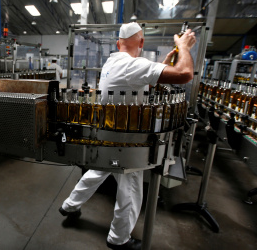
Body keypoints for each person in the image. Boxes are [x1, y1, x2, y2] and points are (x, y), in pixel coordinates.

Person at [59, 22, 196, 250]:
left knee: (98, 170)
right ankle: (118, 239)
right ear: (141, 43)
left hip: (107, 134)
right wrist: (184, 48)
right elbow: (184, 74)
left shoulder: (112, 63)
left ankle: (69, 205)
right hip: (127, 141)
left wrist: (160, 65)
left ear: (117, 43)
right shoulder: (134, 66)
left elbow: (141, 81)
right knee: (131, 189)